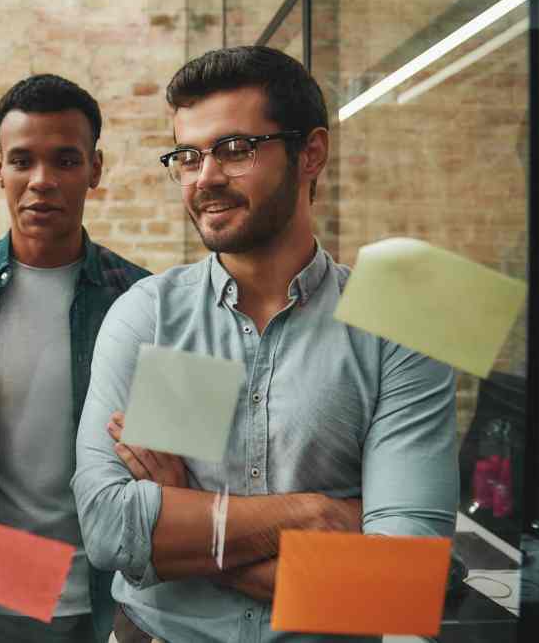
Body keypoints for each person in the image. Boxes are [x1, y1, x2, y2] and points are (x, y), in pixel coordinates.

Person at [72, 46, 459, 643]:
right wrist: (318, 516)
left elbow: (403, 582)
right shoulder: (153, 318)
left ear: (311, 154)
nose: (206, 178)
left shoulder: (398, 329)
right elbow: (108, 530)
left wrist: (189, 521)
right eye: (187, 156)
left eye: (235, 149)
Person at [0, 74, 150, 643]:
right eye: (22, 161)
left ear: (95, 168)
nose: (42, 181)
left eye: (65, 161)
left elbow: (175, 469)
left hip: (101, 602)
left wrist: (145, 603)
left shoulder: (140, 302)